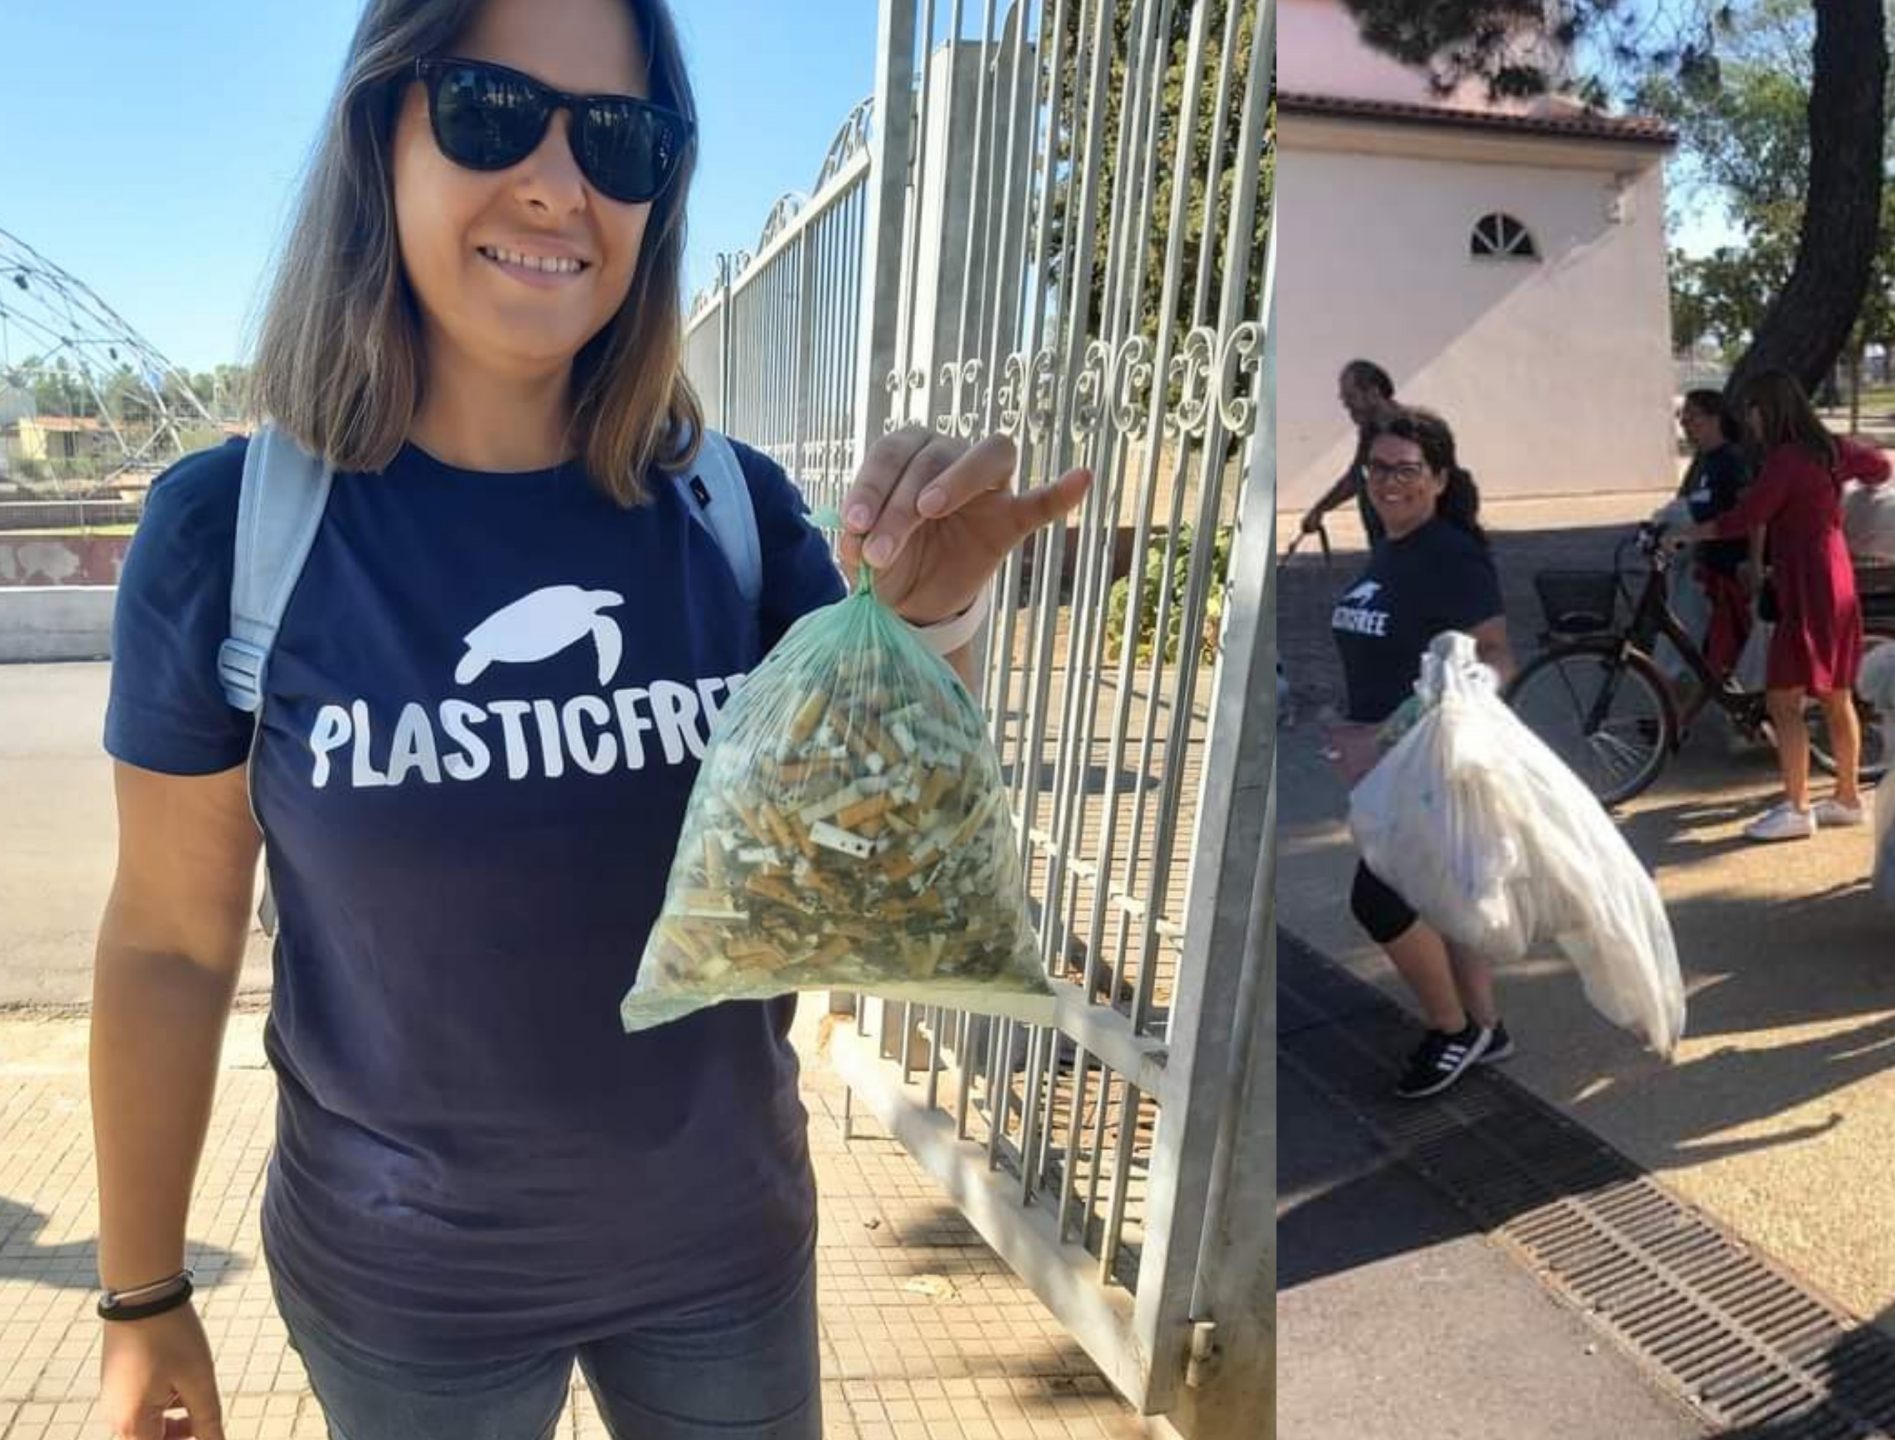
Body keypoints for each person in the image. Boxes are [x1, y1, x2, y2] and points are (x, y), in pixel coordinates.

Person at [90, 1, 1090, 1434]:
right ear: (385, 133)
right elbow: (170, 942)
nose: (561, 181)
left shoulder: (734, 512)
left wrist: (932, 616)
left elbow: (868, 855)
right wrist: (139, 1295)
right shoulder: (234, 531)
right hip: (404, 1294)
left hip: (724, 1265)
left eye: (621, 139)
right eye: (492, 110)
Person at [1321, 407, 1519, 1099]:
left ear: (1438, 478)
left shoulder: (1451, 555)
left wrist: (1398, 728)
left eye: (1406, 469)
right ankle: (1486, 1027)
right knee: (1444, 897)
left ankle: (1452, 1029)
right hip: (1382, 766)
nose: (1388, 481)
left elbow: (1496, 658)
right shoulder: (1393, 546)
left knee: (1377, 899)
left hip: (1430, 763)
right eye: (1377, 468)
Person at [1674, 371, 1889, 841]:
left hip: (1806, 582)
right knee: (1836, 694)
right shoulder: (1831, 448)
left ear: (1768, 410)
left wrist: (1687, 532)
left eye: (1752, 409)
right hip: (1834, 574)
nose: (1747, 419)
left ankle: (1797, 807)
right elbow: (1880, 467)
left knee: (1783, 700)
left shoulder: (1785, 459)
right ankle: (1847, 797)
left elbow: (1746, 518)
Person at [1651, 388, 1759, 686]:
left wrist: (1753, 561)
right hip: (1701, 569)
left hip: (1724, 574)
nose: (1684, 423)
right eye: (1681, 416)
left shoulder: (1732, 463)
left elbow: (1750, 516)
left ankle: (1675, 718)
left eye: (1691, 416)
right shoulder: (1705, 463)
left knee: (1703, 652)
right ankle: (1675, 720)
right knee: (1693, 651)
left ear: (1715, 419)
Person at [1297, 358, 1396, 548]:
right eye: (1344, 399)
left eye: (1351, 397)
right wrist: (1320, 509)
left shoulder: (1412, 433)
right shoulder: (1372, 432)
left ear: (1374, 393)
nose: (1347, 405)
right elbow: (1357, 477)